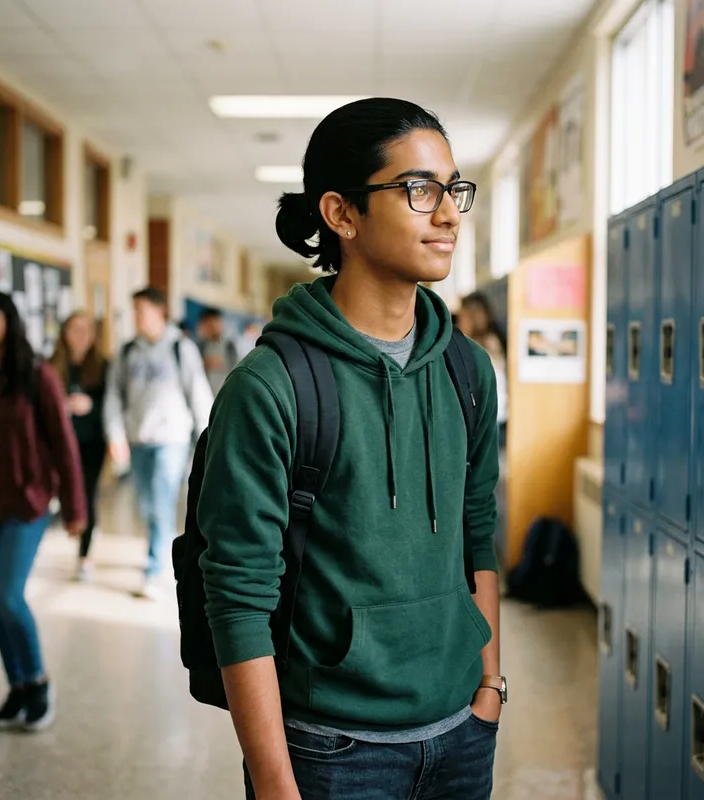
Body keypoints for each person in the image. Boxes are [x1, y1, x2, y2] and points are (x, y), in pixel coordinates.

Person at [198, 98, 504, 800]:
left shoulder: (467, 370)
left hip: (462, 735)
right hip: (332, 751)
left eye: (453, 189)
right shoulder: (271, 386)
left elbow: (476, 534)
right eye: (419, 191)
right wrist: (275, 781)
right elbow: (238, 594)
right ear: (341, 214)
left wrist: (490, 687)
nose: (451, 214)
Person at [0, 290, 85, 732]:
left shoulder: (36, 375)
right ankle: (18, 687)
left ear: (9, 321)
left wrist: (77, 506)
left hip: (27, 503)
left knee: (7, 595)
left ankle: (38, 682)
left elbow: (63, 445)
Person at [104, 287, 213, 600]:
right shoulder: (128, 352)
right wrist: (116, 436)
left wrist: (207, 441)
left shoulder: (181, 348)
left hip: (172, 440)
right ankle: (160, 556)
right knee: (147, 504)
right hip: (138, 440)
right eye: (134, 310)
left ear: (159, 311)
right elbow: (114, 396)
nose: (137, 316)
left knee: (162, 499)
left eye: (142, 309)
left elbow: (198, 394)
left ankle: (154, 568)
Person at [50, 311, 108, 582]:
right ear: (64, 332)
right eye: (75, 329)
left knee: (87, 496)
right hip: (58, 443)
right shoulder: (51, 366)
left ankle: (85, 555)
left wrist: (91, 406)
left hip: (91, 443)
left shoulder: (103, 366)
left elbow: (112, 406)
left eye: (86, 329)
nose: (80, 335)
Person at [458, 292, 508, 446]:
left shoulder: (485, 346)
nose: (459, 322)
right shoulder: (490, 340)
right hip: (492, 417)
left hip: (490, 420)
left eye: (463, 316)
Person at [196, 306, 240, 395]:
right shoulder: (201, 346)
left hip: (224, 396)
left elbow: (237, 371)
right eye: (209, 324)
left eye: (215, 322)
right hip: (206, 397)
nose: (213, 327)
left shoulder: (229, 346)